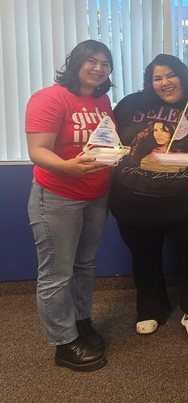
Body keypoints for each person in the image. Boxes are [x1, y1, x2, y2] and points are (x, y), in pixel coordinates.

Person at [109, 54, 188, 340]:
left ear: (183, 77)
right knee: (143, 255)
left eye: (171, 75)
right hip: (133, 200)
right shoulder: (129, 105)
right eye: (157, 78)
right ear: (150, 82)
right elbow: (107, 140)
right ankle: (150, 308)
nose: (165, 82)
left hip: (186, 200)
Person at [26, 39, 114, 372]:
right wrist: (69, 166)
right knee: (56, 273)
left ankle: (80, 320)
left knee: (85, 264)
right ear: (75, 62)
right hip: (58, 194)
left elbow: (102, 143)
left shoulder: (102, 100)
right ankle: (63, 342)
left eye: (105, 64)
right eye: (91, 61)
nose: (98, 68)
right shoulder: (49, 98)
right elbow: (38, 150)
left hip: (96, 194)